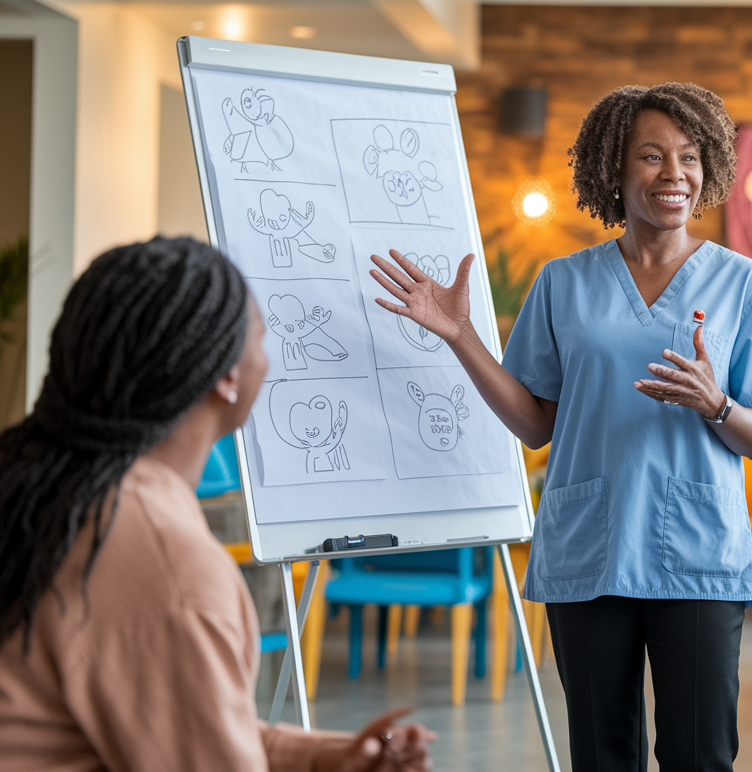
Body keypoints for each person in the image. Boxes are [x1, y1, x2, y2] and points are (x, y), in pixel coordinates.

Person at [369, 83, 752, 771]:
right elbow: (535, 424)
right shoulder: (563, 282)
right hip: (590, 551)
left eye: (690, 158)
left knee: (702, 753)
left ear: (709, 168)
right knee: (602, 756)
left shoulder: (744, 285)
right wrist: (459, 336)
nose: (674, 175)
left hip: (697, 557)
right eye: (652, 156)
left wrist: (716, 404)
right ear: (613, 168)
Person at [0, 238, 434, 772]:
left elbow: (171, 719)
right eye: (262, 338)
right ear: (227, 375)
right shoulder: (160, 562)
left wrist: (325, 758)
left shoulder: (38, 485)